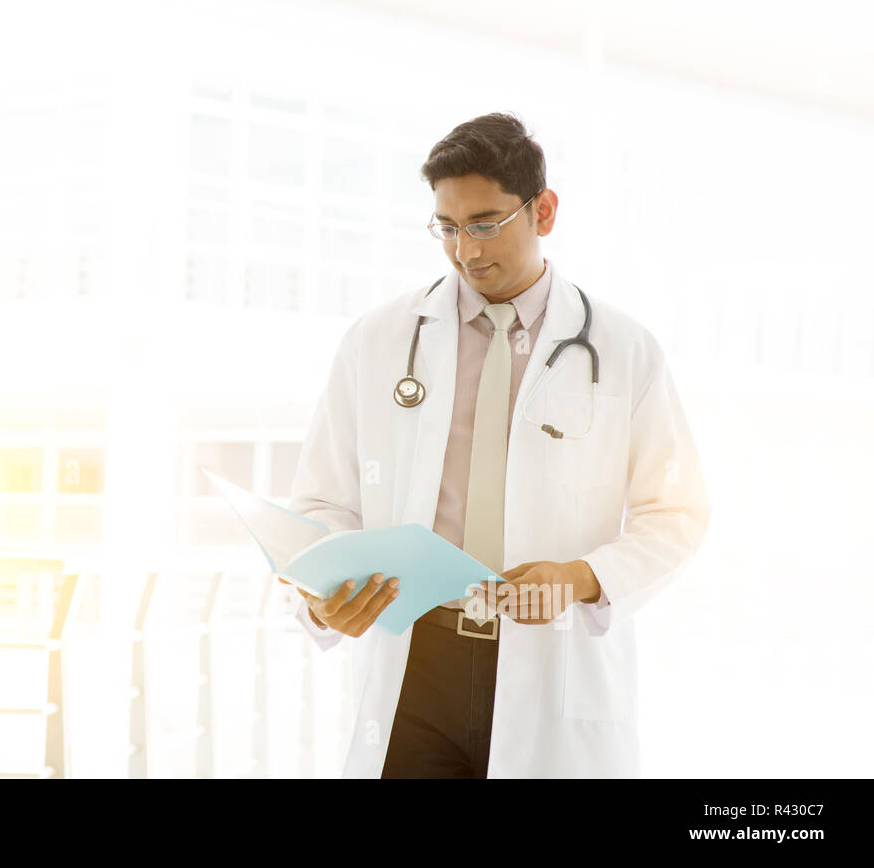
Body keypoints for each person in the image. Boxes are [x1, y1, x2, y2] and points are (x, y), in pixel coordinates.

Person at [285, 112, 710, 778]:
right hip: (417, 664)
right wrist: (320, 588)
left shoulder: (625, 351)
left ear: (543, 210)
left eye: (485, 223)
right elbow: (322, 499)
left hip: (549, 667)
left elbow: (676, 514)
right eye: (447, 228)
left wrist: (580, 576)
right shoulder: (378, 340)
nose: (466, 251)